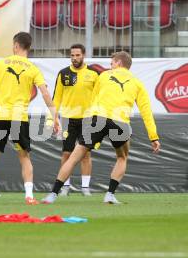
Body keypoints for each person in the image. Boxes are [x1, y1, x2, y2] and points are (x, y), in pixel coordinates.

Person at [42, 51, 160, 205]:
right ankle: (109, 195)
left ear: (118, 63)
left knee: (73, 157)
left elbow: (93, 100)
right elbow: (146, 112)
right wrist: (154, 137)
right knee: (122, 157)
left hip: (98, 119)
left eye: (112, 63)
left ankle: (52, 194)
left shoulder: (104, 76)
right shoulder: (137, 83)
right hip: (120, 122)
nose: (110, 66)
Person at [0, 32, 60, 205]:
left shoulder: (1, 64)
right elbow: (45, 93)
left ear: (16, 45)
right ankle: (29, 195)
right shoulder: (33, 68)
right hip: (19, 118)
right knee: (24, 156)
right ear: (29, 47)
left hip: (0, 117)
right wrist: (54, 117)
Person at [52, 44, 99, 197]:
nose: (74, 58)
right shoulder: (63, 74)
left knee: (85, 154)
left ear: (84, 55)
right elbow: (56, 98)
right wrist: (53, 118)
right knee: (66, 153)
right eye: (72, 55)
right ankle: (65, 186)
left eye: (77, 55)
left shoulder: (93, 73)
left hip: (87, 119)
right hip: (67, 119)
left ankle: (85, 188)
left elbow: (99, 97)